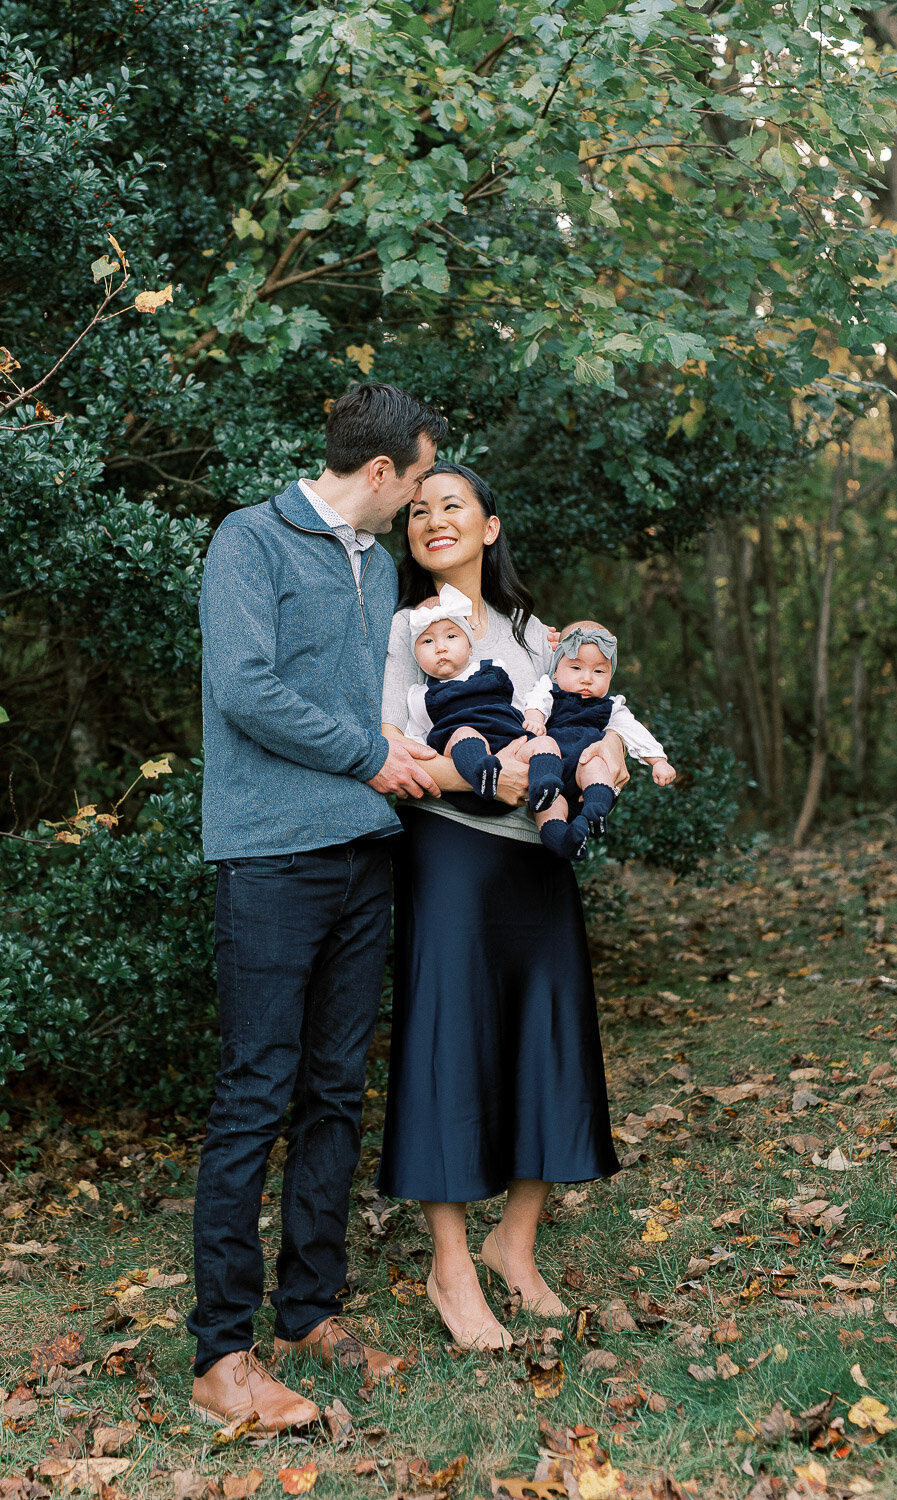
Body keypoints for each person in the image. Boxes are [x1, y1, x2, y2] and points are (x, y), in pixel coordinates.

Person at [188, 383, 448, 1430]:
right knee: (256, 1094)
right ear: (380, 472)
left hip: (361, 854)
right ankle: (221, 1356)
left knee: (337, 1092)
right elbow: (246, 688)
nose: (425, 499)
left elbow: (368, 703)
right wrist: (372, 755)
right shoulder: (248, 541)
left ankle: (308, 1312)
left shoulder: (378, 563)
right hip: (270, 856)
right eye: (420, 478)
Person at [377, 460, 626, 1352]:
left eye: (453, 506)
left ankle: (513, 1245)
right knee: (450, 1043)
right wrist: (486, 774)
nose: (433, 520)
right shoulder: (401, 626)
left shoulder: (533, 630)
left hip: (541, 861)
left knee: (548, 1037)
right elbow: (387, 751)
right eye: (417, 510)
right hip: (451, 850)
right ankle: (449, 1267)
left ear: (488, 526)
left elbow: (580, 715)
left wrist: (604, 757)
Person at [522, 619, 677, 861]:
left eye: (599, 671)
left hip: (584, 771)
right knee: (549, 809)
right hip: (553, 770)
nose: (587, 679)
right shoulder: (550, 691)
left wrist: (658, 760)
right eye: (576, 668)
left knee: (595, 763)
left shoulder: (610, 707)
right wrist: (535, 719)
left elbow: (633, 730)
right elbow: (536, 701)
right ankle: (565, 841)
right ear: (556, 670)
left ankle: (595, 812)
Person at [403, 583, 564, 814]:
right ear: (416, 657)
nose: (440, 647)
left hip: (511, 745)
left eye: (451, 636)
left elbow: (515, 704)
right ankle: (483, 773)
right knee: (464, 732)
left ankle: (543, 785)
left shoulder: (494, 668)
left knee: (545, 743)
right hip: (467, 777)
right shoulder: (421, 696)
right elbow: (415, 739)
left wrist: (533, 718)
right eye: (427, 641)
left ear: (470, 646)